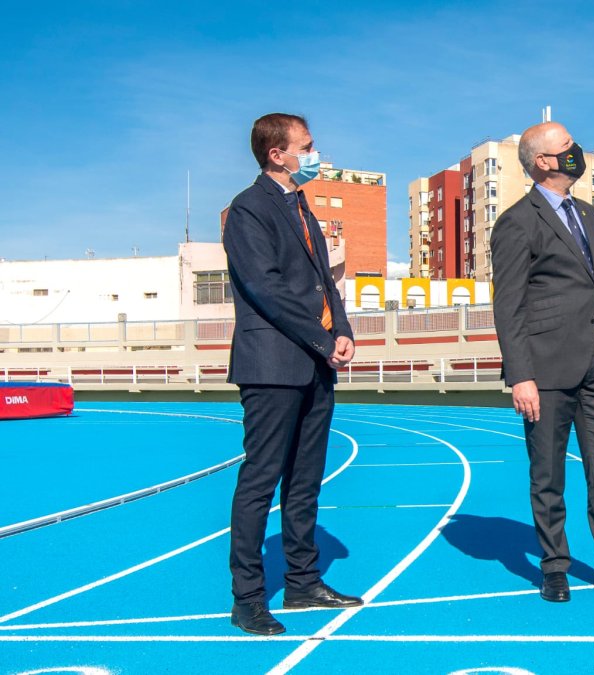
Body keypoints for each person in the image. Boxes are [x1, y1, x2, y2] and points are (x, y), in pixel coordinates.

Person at [491, 121, 594, 603]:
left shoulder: (589, 215)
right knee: (548, 475)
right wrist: (520, 375)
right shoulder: (517, 222)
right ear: (543, 162)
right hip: (544, 371)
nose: (576, 151)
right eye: (566, 147)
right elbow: (510, 306)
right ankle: (555, 567)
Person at [223, 113, 362, 635]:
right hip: (273, 365)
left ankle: (303, 582)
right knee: (260, 480)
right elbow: (267, 289)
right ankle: (249, 597)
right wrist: (324, 339)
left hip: (314, 363)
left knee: (305, 480)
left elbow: (326, 282)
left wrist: (342, 328)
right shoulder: (248, 209)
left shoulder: (301, 206)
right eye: (306, 147)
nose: (314, 154)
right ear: (277, 154)